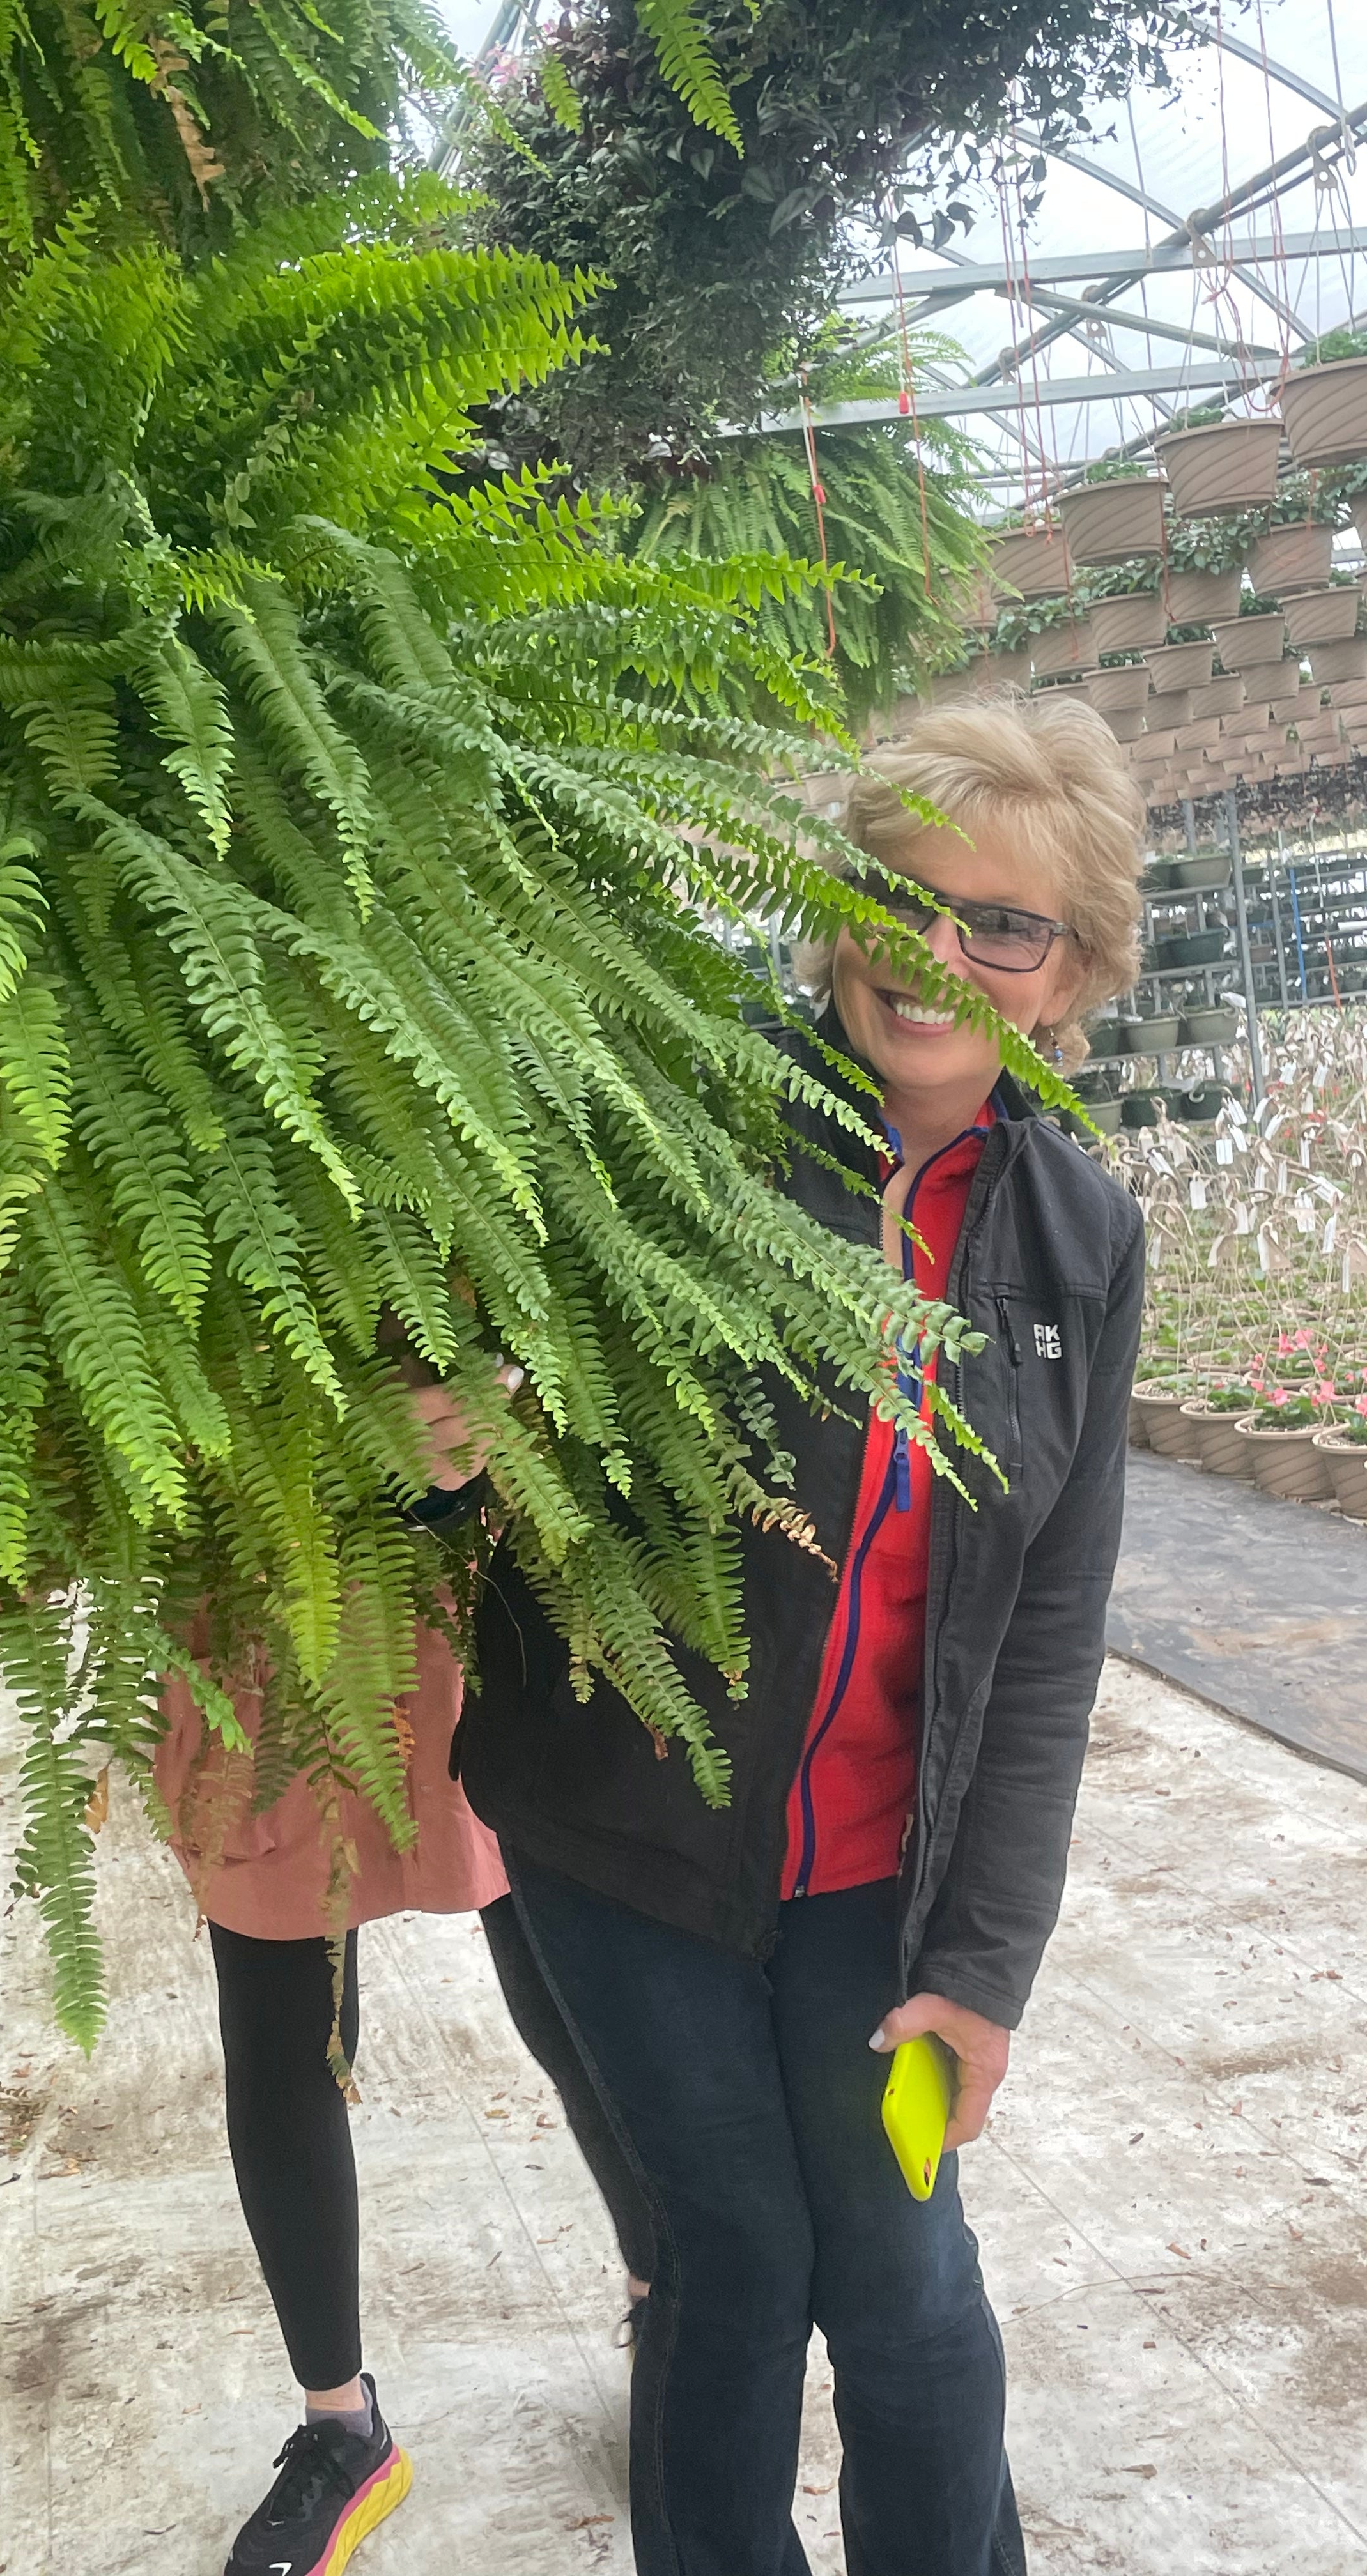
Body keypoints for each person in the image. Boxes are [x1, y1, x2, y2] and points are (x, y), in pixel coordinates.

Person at [455, 693, 1148, 2576]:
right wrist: (447, 1436)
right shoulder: (675, 1116)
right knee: (733, 2261)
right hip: (627, 1839)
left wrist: (985, 1966)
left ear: (1072, 973)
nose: (933, 957)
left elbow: (1051, 1641)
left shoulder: (1079, 1235)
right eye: (894, 895)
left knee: (909, 2281)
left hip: (890, 1882)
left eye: (999, 924)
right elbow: (495, 1396)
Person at [154, 1425, 657, 2576]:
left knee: (575, 2000)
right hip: (259, 1624)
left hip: (480, 1617)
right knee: (285, 2046)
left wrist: (510, 1403)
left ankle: (665, 2311)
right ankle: (344, 2431)